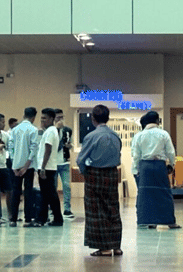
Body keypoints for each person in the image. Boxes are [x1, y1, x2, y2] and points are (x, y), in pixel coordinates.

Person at [77, 104, 122, 257]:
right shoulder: (115, 136)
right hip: (112, 174)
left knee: (96, 211)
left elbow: (81, 160)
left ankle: (103, 248)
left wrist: (85, 173)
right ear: (108, 118)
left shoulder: (91, 136)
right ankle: (116, 246)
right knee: (112, 209)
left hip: (95, 174)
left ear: (93, 119)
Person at [132, 111, 180, 229]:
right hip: (159, 166)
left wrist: (136, 170)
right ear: (158, 121)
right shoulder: (163, 134)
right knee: (164, 194)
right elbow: (171, 152)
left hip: (145, 167)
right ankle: (170, 222)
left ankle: (149, 221)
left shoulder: (139, 135)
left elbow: (136, 155)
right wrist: (172, 165)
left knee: (146, 195)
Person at [8, 107, 39, 227]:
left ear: (24, 115)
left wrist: (14, 163)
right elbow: (33, 148)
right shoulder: (33, 130)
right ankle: (27, 219)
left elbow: (10, 147)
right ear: (33, 117)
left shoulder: (15, 130)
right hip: (28, 166)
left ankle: (13, 219)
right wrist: (26, 166)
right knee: (28, 192)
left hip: (16, 165)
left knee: (15, 193)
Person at [36, 108, 63, 227]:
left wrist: (42, 168)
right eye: (41, 118)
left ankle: (56, 218)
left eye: (45, 118)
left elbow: (48, 149)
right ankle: (44, 218)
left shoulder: (51, 131)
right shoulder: (49, 131)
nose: (42, 120)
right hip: (47, 167)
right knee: (47, 195)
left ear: (52, 119)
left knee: (49, 195)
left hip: (47, 167)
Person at [54, 109, 74, 218]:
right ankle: (54, 209)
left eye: (62, 117)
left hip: (64, 162)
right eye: (58, 117)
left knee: (67, 186)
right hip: (53, 163)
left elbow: (70, 143)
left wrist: (70, 146)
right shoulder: (51, 131)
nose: (60, 120)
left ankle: (67, 209)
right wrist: (57, 129)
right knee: (54, 187)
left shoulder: (68, 130)